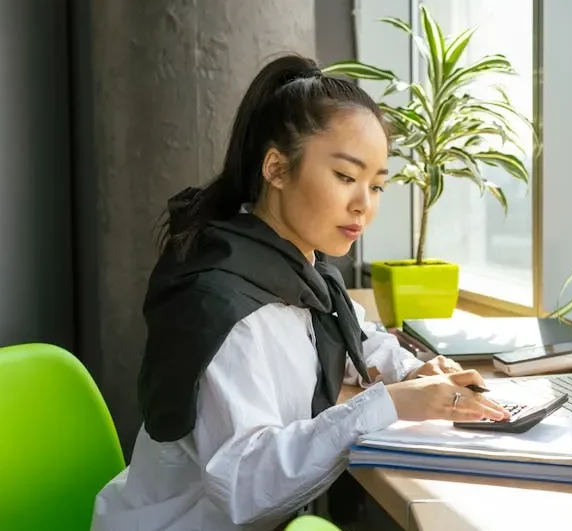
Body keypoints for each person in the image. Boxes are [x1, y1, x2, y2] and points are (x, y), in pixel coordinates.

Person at [90, 54, 510, 531]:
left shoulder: (298, 266)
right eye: (346, 178)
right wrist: (390, 402)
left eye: (376, 186)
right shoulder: (230, 309)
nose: (364, 206)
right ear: (276, 168)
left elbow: (356, 334)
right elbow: (244, 485)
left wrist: (416, 371)